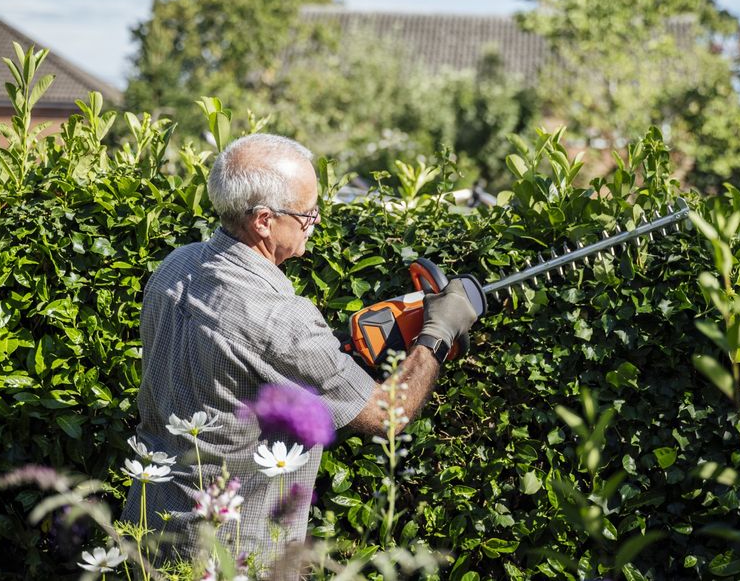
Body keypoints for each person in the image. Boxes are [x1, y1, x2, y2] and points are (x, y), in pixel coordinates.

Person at [120, 133, 477, 574]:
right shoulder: (276, 316)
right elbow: (387, 415)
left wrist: (340, 360)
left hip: (149, 525)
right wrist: (438, 334)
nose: (316, 221)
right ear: (265, 221)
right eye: (307, 213)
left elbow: (241, 376)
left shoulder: (177, 265)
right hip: (232, 554)